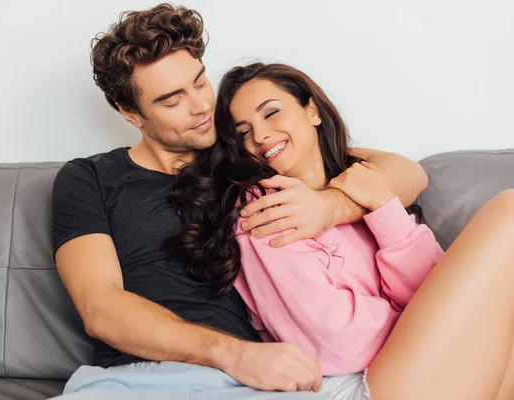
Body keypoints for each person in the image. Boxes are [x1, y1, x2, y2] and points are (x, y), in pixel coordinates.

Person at [50, 4, 428, 399]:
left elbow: (408, 174)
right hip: (131, 378)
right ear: (131, 114)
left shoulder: (248, 154)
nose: (200, 107)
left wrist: (330, 206)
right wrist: (232, 354)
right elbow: (100, 308)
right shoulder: (89, 178)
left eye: (199, 82)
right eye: (171, 99)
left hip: (249, 384)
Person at [171, 61, 514, 400]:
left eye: (271, 113)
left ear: (313, 111)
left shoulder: (358, 184)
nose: (259, 136)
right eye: (244, 132)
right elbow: (334, 342)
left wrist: (382, 205)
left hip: (416, 366)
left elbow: (432, 283)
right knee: (508, 212)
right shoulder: (259, 210)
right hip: (359, 384)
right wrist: (426, 320)